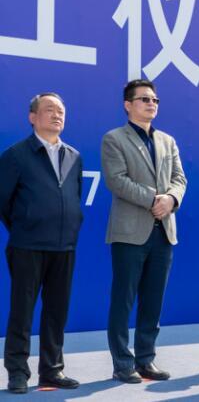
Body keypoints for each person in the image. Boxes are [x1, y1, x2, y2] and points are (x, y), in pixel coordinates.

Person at [101, 79, 187, 383]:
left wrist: (171, 200)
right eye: (145, 99)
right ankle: (122, 363)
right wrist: (154, 200)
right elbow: (117, 180)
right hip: (130, 233)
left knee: (153, 301)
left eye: (155, 100)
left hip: (163, 232)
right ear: (128, 105)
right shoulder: (114, 139)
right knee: (123, 300)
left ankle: (146, 359)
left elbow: (179, 179)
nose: (152, 104)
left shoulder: (167, 140)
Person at [0, 93, 83, 394]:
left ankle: (52, 369)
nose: (57, 115)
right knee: (22, 312)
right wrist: (26, 225)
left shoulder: (73, 156)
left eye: (61, 110)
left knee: (56, 312)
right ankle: (17, 372)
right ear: (32, 117)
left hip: (64, 247)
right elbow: (3, 202)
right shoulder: (16, 155)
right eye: (49, 110)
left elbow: (74, 196)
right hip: (28, 246)